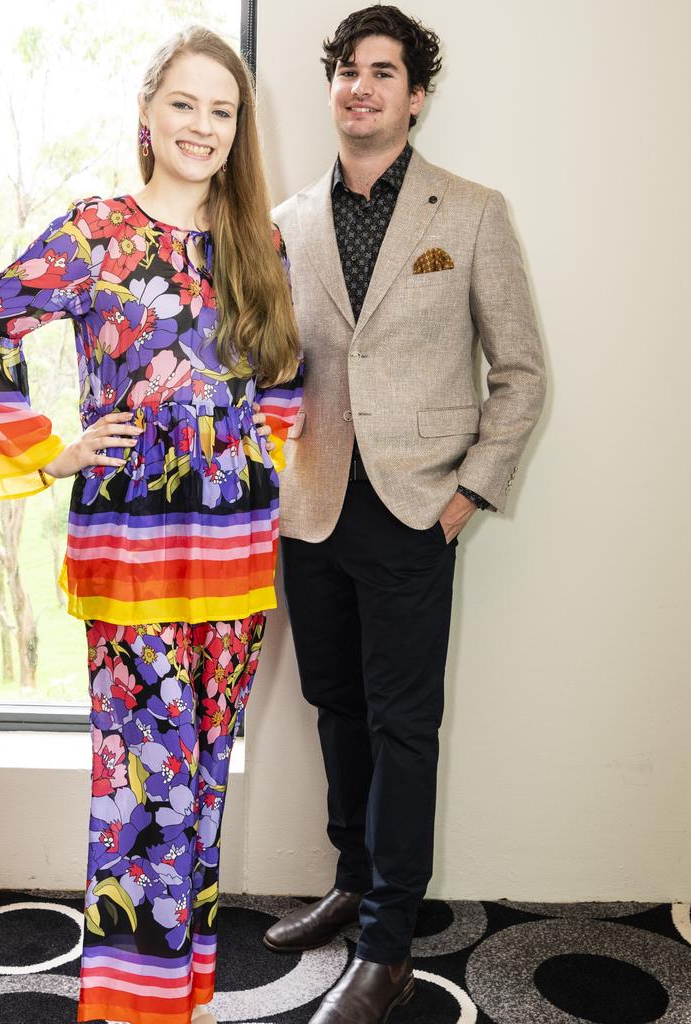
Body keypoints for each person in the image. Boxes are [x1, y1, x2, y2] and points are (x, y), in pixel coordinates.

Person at [0, 26, 301, 1024]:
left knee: (200, 781)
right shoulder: (92, 234)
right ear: (148, 113)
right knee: (144, 787)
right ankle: (131, 1006)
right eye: (185, 103)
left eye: (222, 111)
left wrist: (252, 457)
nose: (202, 126)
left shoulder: (258, 240)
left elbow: (285, 379)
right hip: (130, 558)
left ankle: (181, 991)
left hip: (237, 557)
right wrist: (50, 451)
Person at [263, 6, 546, 1022]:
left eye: (383, 71)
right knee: (334, 705)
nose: (361, 86)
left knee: (405, 726)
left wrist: (468, 497)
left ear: (416, 95)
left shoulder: (470, 212)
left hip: (417, 512)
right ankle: (350, 878)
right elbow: (267, 365)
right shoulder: (287, 222)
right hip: (316, 507)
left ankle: (386, 941)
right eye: (346, 70)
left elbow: (521, 373)